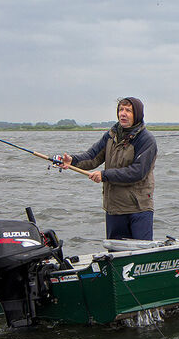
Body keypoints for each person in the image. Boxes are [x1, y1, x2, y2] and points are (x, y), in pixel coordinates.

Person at [56, 97, 157, 240]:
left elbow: (137, 172)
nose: (123, 113)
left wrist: (104, 175)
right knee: (115, 255)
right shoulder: (111, 135)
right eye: (121, 109)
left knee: (141, 254)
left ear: (137, 114)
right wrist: (72, 161)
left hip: (139, 209)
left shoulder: (146, 140)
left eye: (128, 110)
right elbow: (92, 156)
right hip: (114, 209)